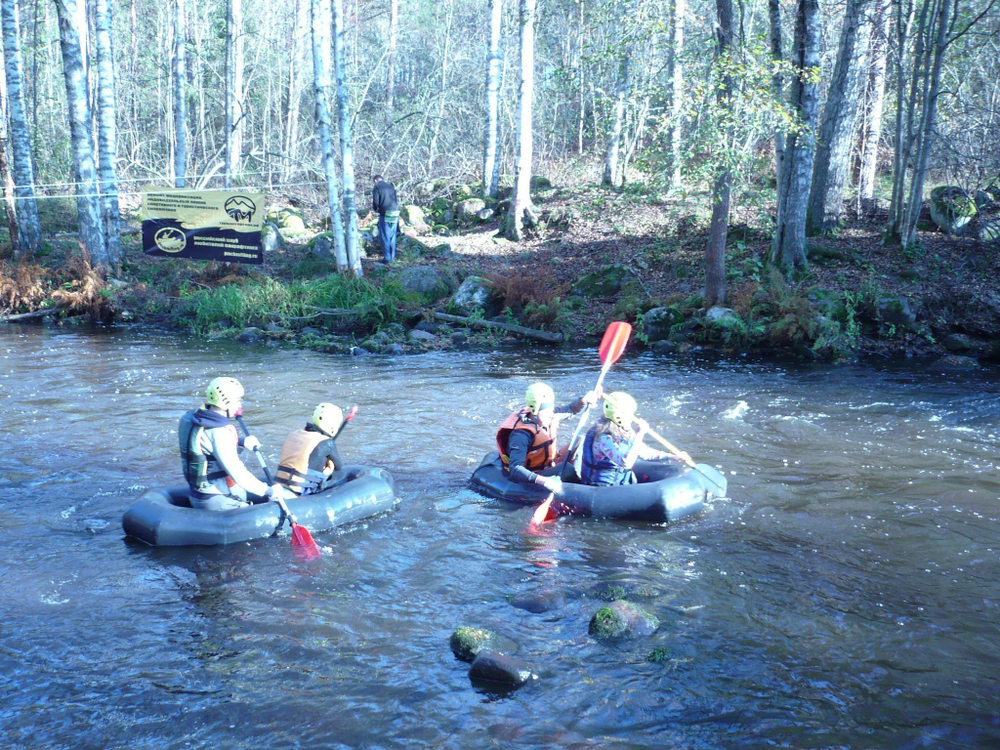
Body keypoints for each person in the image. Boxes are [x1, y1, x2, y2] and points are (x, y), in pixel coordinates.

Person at [178, 377, 290, 510]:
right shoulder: (220, 433)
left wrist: (241, 441)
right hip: (215, 501)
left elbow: (206, 443)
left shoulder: (191, 418)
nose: (239, 405)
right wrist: (270, 491)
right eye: (237, 400)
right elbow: (239, 474)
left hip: (198, 494)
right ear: (225, 402)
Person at [496, 382, 599, 495]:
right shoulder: (521, 435)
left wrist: (583, 400)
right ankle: (582, 490)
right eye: (547, 411)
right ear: (535, 411)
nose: (552, 414)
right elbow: (515, 469)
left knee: (582, 441)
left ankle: (584, 480)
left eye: (552, 409)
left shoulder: (547, 414)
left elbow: (570, 409)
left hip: (549, 465)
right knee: (567, 469)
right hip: (532, 476)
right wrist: (545, 481)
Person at [578, 392, 684, 487]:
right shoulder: (604, 437)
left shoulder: (624, 430)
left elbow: (643, 452)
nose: (632, 418)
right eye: (630, 414)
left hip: (618, 483)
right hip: (601, 486)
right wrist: (640, 434)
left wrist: (672, 456)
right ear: (619, 416)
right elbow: (625, 463)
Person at [275, 403, 348, 496]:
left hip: (281, 483)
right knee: (340, 480)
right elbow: (339, 467)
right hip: (302, 489)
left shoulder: (296, 434)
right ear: (332, 426)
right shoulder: (328, 443)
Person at [372, 174, 399, 264]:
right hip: (395, 212)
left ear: (375, 181)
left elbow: (376, 202)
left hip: (385, 213)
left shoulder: (377, 187)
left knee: (385, 236)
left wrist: (376, 209)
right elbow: (395, 200)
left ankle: (387, 258)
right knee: (392, 236)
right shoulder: (391, 187)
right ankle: (392, 257)